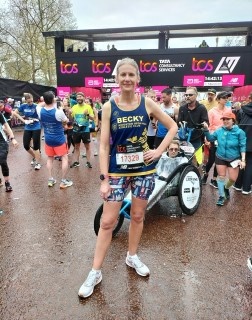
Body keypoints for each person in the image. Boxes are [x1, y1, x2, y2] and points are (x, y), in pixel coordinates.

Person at [78, 57, 178, 299]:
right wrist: (104, 178)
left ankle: (132, 256)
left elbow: (173, 126)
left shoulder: (148, 103)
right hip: (116, 173)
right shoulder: (109, 107)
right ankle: (95, 271)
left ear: (138, 79)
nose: (127, 79)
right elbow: (103, 146)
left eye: (131, 75)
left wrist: (158, 151)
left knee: (137, 215)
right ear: (116, 79)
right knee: (107, 221)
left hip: (143, 172)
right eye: (122, 75)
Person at [202, 111, 246, 206]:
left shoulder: (240, 132)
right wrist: (206, 130)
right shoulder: (219, 130)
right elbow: (210, 139)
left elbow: (243, 146)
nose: (225, 121)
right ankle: (221, 196)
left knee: (233, 179)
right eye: (224, 119)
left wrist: (243, 160)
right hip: (220, 156)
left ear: (233, 121)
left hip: (234, 158)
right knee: (221, 176)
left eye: (228, 119)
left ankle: (226, 187)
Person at [36, 91, 73, 189]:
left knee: (50, 158)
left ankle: (50, 179)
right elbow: (66, 122)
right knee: (64, 157)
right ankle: (63, 181)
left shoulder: (39, 110)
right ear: (53, 99)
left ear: (44, 100)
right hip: (59, 140)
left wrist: (47, 100)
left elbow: (39, 104)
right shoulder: (58, 112)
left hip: (48, 139)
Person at [201, 91, 231, 188]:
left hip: (224, 138)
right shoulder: (212, 111)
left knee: (220, 160)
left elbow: (230, 123)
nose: (226, 99)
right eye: (224, 97)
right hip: (213, 137)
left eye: (227, 97)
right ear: (218, 99)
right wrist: (207, 139)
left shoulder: (228, 110)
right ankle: (205, 175)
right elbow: (208, 126)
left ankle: (214, 179)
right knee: (212, 159)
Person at [13, 93, 42, 170]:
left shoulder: (36, 106)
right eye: (28, 102)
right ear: (25, 101)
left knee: (36, 146)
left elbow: (42, 114)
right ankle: (35, 157)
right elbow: (14, 113)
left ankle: (38, 163)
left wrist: (36, 119)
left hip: (36, 127)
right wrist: (24, 121)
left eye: (31, 101)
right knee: (26, 146)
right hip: (27, 127)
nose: (30, 103)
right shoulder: (23, 106)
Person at [69, 92, 94, 169]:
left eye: (80, 97)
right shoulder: (74, 107)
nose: (79, 98)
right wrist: (69, 114)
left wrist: (87, 114)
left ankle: (88, 162)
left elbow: (92, 118)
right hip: (76, 130)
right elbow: (70, 119)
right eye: (77, 97)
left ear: (84, 98)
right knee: (76, 146)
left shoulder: (88, 107)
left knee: (87, 146)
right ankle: (77, 162)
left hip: (85, 130)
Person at [233, 92, 252, 194]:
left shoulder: (242, 110)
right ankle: (246, 188)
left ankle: (237, 185)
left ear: (249, 98)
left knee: (242, 162)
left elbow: (238, 125)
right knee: (250, 164)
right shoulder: (242, 110)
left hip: (242, 141)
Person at [0, 113, 18, 192]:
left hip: (2, 141)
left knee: (2, 160)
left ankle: (7, 182)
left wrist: (12, 138)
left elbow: (6, 126)